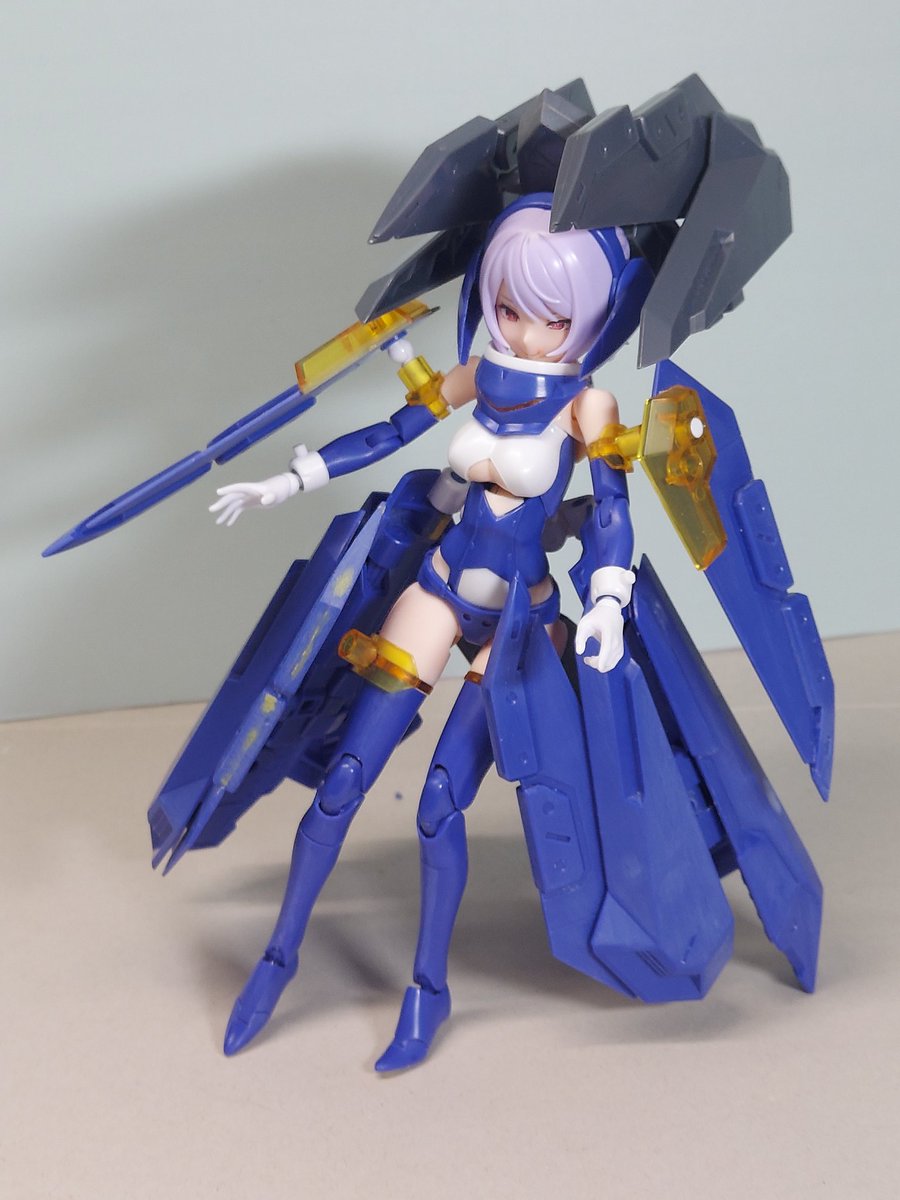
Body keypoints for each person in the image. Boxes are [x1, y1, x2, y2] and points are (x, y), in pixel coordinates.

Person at [209, 196, 648, 1068]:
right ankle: (277, 959)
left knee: (440, 804)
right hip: (441, 586)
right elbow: (391, 430)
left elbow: (610, 511)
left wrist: (608, 596)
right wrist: (289, 482)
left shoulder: (587, 406)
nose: (524, 330)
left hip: (519, 620)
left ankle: (427, 988)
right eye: (509, 305)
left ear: (593, 315)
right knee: (342, 784)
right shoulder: (479, 374)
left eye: (550, 315)